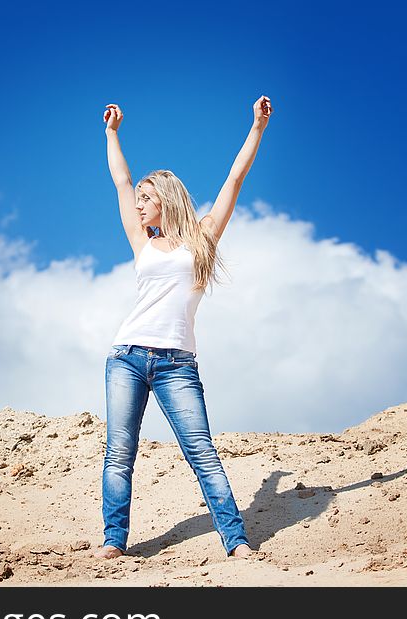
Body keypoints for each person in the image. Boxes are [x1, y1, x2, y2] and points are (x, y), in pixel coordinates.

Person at [94, 96, 273, 560]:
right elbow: (120, 180)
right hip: (127, 356)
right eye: (138, 200)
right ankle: (114, 542)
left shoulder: (203, 236)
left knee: (202, 453)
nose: (138, 204)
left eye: (146, 199)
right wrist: (112, 134)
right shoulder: (142, 241)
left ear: (165, 201)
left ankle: (236, 542)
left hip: (176, 362)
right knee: (119, 454)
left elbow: (235, 178)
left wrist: (256, 127)